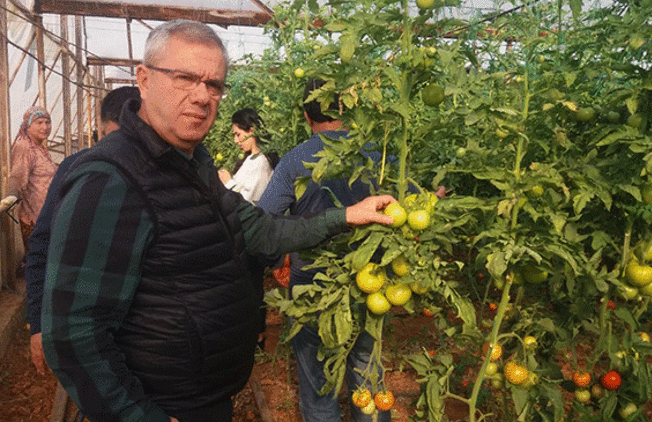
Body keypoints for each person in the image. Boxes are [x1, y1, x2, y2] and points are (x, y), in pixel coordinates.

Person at [41, 20, 394, 422]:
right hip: (163, 404)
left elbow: (261, 230)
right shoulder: (109, 179)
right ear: (143, 78)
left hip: (205, 398)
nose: (202, 96)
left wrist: (346, 215)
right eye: (185, 77)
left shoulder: (195, 165)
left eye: (214, 85)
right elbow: (73, 330)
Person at [257, 78, 391, 422]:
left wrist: (279, 262)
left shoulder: (294, 160)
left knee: (318, 386)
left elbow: (266, 222)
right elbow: (402, 208)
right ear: (348, 110)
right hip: (369, 282)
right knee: (367, 374)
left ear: (306, 115)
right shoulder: (379, 153)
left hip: (311, 286)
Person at [24, 86, 140, 375]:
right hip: (98, 319)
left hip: (118, 320)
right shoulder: (77, 167)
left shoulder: (157, 168)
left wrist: (39, 325)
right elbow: (41, 244)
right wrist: (38, 326)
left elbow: (41, 245)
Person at [0, 106, 58, 276]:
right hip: (35, 219)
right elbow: (17, 176)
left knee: (45, 265)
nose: (45, 127)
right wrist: (10, 196)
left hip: (46, 215)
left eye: (48, 122)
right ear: (27, 126)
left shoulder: (39, 147)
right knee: (40, 267)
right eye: (39, 122)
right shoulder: (24, 147)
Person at [217, 107, 277, 204]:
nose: (236, 141)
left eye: (238, 134)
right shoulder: (250, 159)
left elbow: (250, 202)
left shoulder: (261, 162)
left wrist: (228, 183)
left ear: (251, 131)